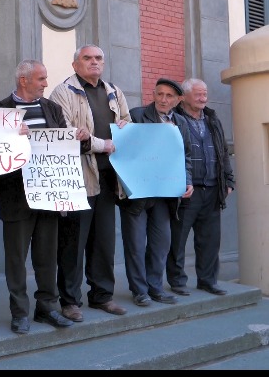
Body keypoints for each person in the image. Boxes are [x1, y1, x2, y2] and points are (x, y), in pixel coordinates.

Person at [0, 59, 81, 334]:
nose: (45, 83)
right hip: (16, 196)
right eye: (41, 79)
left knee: (47, 256)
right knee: (16, 259)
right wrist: (9, 138)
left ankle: (47, 308)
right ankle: (19, 313)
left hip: (49, 194)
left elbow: (63, 145)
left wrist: (77, 137)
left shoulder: (52, 108)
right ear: (24, 80)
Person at [48, 44, 131, 322]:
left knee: (104, 242)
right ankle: (70, 301)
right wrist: (102, 144)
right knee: (73, 242)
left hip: (109, 177)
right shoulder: (63, 91)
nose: (94, 62)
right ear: (75, 65)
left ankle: (102, 296)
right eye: (87, 58)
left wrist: (123, 131)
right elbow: (67, 133)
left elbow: (127, 124)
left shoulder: (114, 91)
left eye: (98, 58)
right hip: (78, 178)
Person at [119, 78, 193, 307]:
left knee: (161, 245)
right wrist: (121, 127)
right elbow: (123, 148)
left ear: (178, 100)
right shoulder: (136, 115)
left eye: (169, 96)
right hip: (138, 194)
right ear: (154, 94)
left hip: (165, 195)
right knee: (136, 245)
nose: (163, 99)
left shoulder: (181, 122)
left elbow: (186, 157)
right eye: (159, 94)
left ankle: (156, 288)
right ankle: (140, 291)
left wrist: (187, 181)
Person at [166, 78, 235, 296]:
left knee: (210, 240)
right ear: (184, 97)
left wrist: (229, 180)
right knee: (178, 239)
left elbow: (223, 151)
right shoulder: (173, 120)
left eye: (205, 94)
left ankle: (207, 280)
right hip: (187, 191)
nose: (203, 98)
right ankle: (177, 281)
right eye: (198, 94)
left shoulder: (212, 119)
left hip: (213, 189)